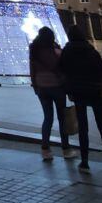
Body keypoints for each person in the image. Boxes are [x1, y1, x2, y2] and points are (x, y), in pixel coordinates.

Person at [59, 25, 102, 174]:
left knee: (83, 127)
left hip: (77, 92)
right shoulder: (90, 50)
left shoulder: (66, 51)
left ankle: (84, 163)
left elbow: (61, 70)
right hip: (95, 91)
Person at [29, 27, 74, 161]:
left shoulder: (34, 50)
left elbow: (32, 70)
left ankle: (45, 149)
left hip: (42, 88)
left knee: (47, 118)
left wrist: (35, 86)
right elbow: (63, 65)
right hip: (57, 86)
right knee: (62, 118)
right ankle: (65, 148)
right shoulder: (54, 50)